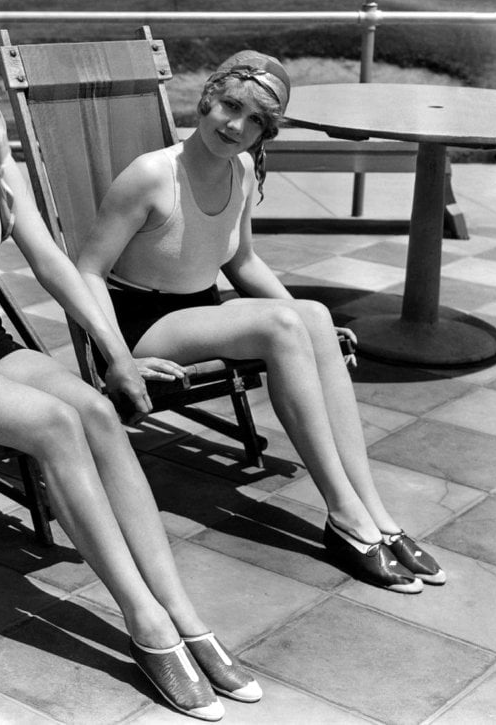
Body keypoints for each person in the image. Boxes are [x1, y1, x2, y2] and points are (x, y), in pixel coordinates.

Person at [0, 6, 261, 721]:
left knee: (98, 411)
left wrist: (117, 354)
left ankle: (186, 613)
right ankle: (146, 623)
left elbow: (54, 265)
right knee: (53, 424)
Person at [75, 50, 446, 596]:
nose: (236, 125)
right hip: (139, 322)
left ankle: (377, 514)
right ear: (208, 99)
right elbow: (87, 270)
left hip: (198, 307)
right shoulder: (153, 175)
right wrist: (119, 359)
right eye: (229, 106)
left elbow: (241, 261)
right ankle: (345, 517)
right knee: (281, 326)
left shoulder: (243, 169)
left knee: (314, 316)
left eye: (255, 121)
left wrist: (313, 325)